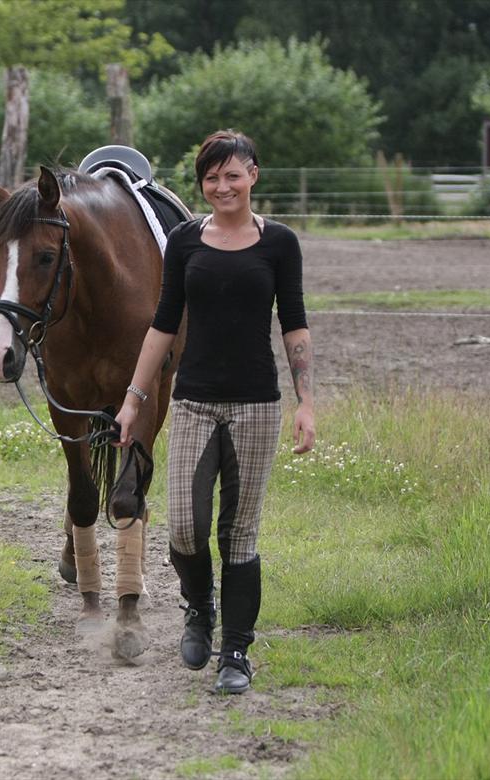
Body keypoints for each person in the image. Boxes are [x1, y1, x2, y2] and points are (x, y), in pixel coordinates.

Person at [116, 129, 315, 694]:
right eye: (211, 177)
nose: (222, 186)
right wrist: (134, 399)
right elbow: (162, 325)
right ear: (201, 183)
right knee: (184, 525)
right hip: (195, 400)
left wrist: (307, 403)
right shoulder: (183, 241)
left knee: (240, 534)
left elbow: (294, 324)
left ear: (254, 174)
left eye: (232, 174)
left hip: (256, 404)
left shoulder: (280, 243)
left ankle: (236, 652)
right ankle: (198, 606)